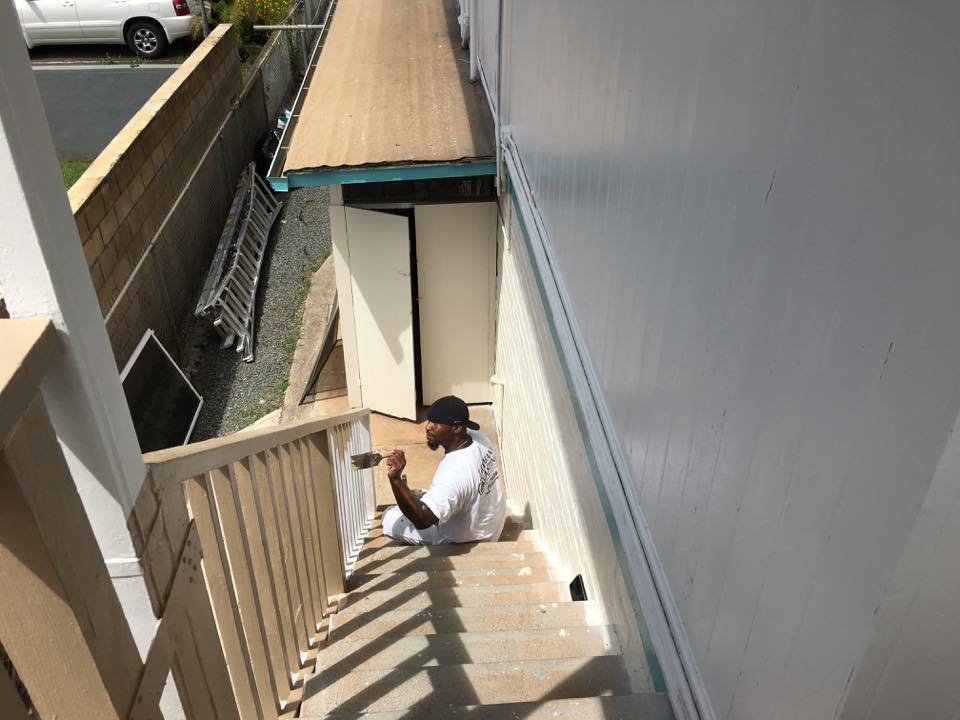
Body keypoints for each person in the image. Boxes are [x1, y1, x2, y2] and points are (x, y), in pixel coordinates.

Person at [381, 395, 506, 545]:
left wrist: (396, 479)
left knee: (388, 517)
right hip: (491, 527)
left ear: (456, 428)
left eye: (436, 423)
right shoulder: (479, 439)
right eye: (429, 420)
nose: (428, 427)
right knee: (422, 495)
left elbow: (422, 520)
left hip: (469, 540)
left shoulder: (453, 474)